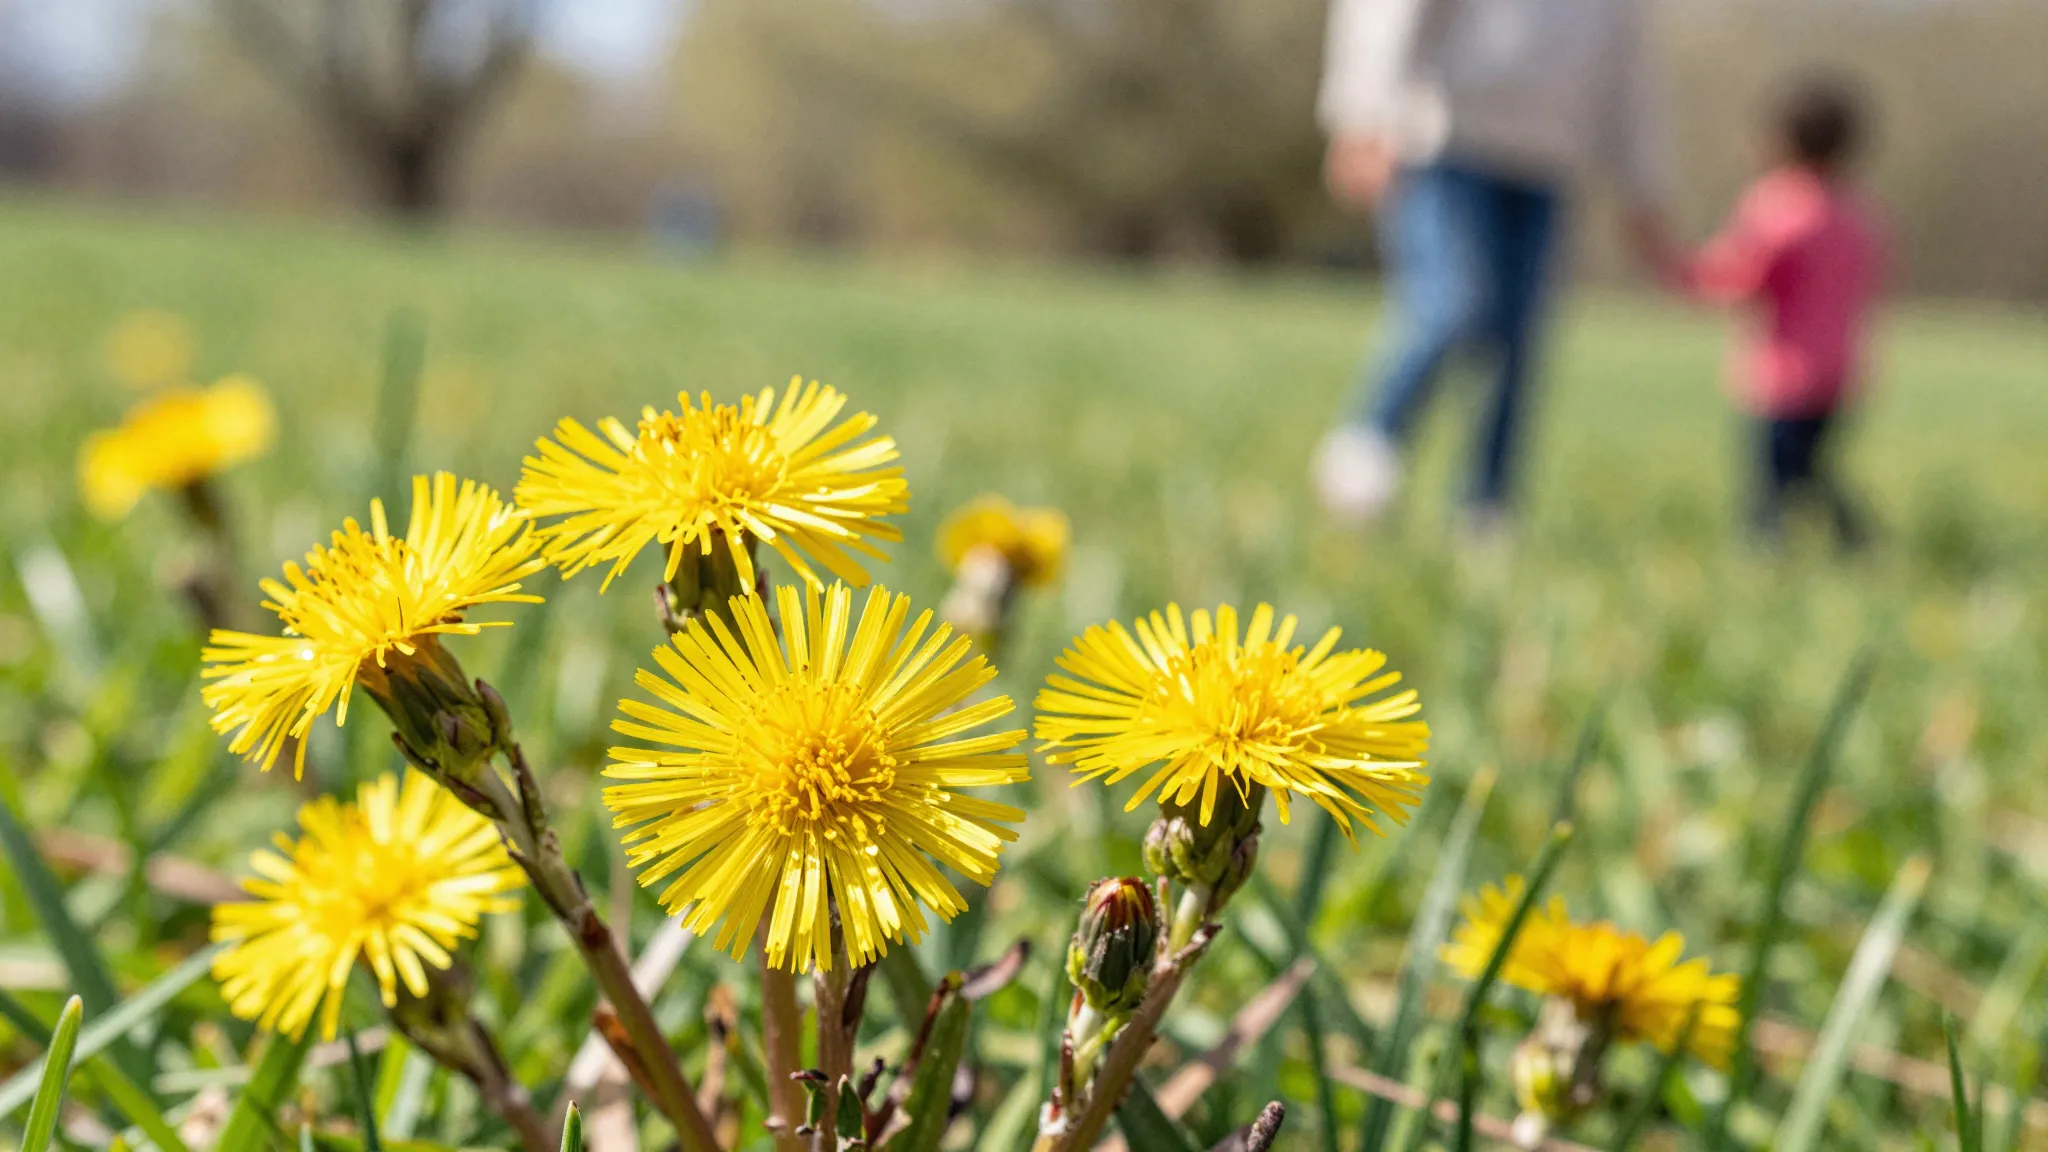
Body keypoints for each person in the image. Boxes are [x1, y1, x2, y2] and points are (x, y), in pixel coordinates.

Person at [1313, 0, 1669, 530]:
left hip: (1547, 161)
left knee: (1521, 339)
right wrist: (1364, 114)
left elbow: (1626, 76)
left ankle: (1485, 503)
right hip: (1446, 142)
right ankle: (1369, 442)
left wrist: (1643, 185)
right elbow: (1389, 13)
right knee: (1454, 306)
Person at [1667, 77, 1883, 550]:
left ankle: (1768, 551)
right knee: (1809, 468)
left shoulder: (1777, 207)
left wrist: (1679, 272)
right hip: (1840, 373)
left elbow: (1740, 277)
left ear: (1780, 140)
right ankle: (1854, 540)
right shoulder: (1857, 214)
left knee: (1773, 478)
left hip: (1783, 376)